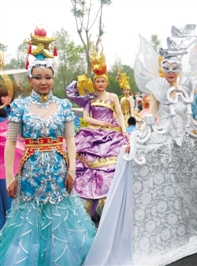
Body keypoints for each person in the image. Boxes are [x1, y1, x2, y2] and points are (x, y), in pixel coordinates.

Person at [84, 25, 197, 266]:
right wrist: (136, 139)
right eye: (166, 68)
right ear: (162, 69)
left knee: (190, 183)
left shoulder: (185, 90)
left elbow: (191, 118)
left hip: (183, 143)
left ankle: (195, 222)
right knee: (165, 187)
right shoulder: (158, 91)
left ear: (180, 69)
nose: (171, 72)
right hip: (165, 140)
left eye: (175, 68)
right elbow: (151, 116)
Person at [0, 28, 96, 265]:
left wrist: (72, 170)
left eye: (48, 77)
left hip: (58, 171)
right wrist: (11, 176)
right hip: (30, 173)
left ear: (53, 77)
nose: (43, 82)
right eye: (38, 77)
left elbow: (70, 139)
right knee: (29, 219)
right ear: (30, 79)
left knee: (62, 217)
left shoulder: (64, 105)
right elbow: (11, 142)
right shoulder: (20, 107)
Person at [66, 40, 128, 218]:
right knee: (88, 168)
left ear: (106, 82)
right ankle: (90, 206)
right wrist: (101, 123)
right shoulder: (89, 98)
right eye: (97, 81)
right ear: (94, 82)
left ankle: (112, 207)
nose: (100, 83)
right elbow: (84, 117)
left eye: (102, 80)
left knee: (111, 168)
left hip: (112, 137)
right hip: (92, 135)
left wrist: (123, 130)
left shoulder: (114, 96)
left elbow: (120, 114)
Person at [0, 64, 25, 230]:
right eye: (2, 95)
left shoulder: (14, 112)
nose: (5, 99)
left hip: (11, 165)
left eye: (8, 95)